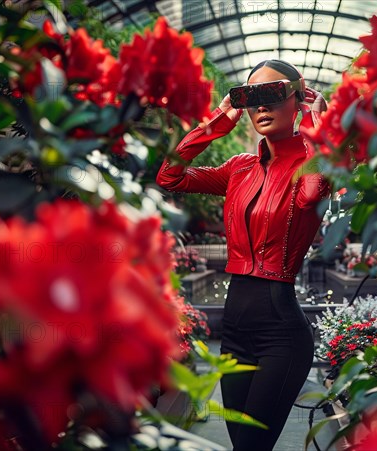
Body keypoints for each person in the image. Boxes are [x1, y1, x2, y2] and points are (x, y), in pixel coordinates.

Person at [156, 59, 330, 450]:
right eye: (251, 98)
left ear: (299, 99)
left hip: (281, 333)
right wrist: (221, 117)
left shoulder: (315, 161)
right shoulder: (240, 167)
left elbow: (312, 194)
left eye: (272, 94)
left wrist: (319, 131)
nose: (261, 108)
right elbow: (170, 175)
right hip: (234, 333)